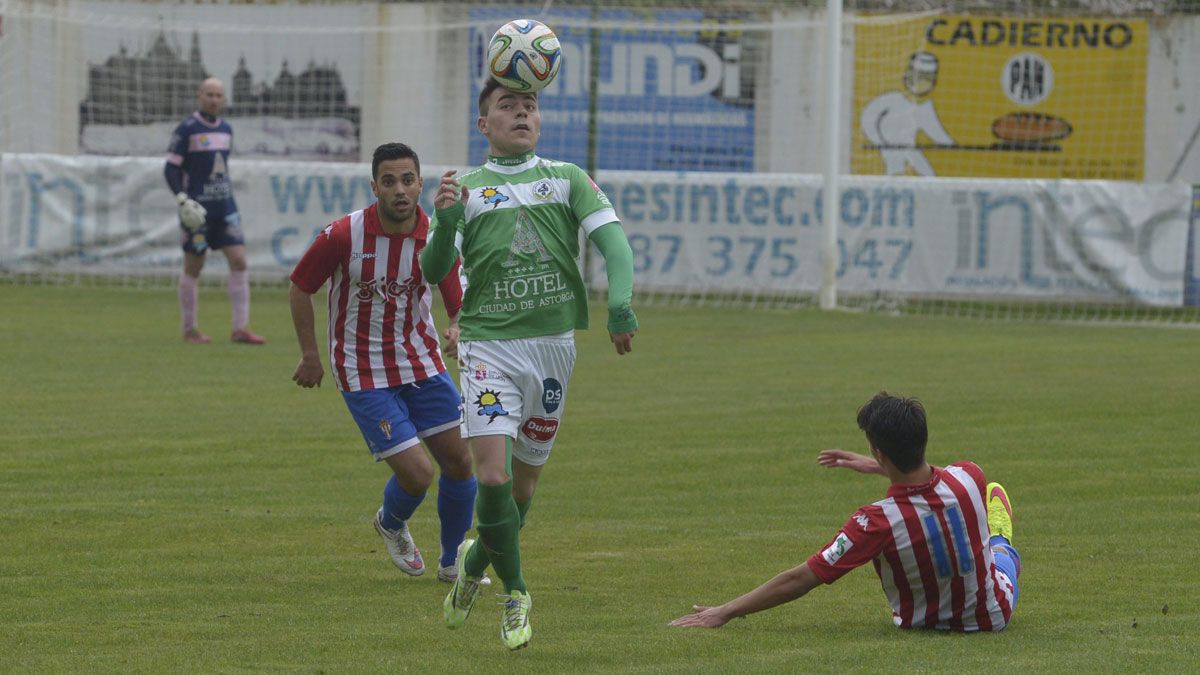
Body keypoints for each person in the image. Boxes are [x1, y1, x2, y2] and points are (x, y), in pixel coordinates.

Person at [420, 77, 639, 650]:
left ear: (540, 120)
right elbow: (433, 268)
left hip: (551, 350)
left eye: (530, 105)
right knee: (491, 475)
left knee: (521, 490)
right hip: (487, 346)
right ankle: (516, 591)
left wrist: (620, 304)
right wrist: (445, 220)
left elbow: (614, 243)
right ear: (483, 124)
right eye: (507, 106)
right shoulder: (465, 189)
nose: (521, 113)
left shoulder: (566, 178)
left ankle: (473, 566)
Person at [289, 142, 487, 585]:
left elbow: (456, 300)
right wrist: (310, 355)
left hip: (422, 363)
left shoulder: (435, 236)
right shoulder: (344, 234)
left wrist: (458, 327)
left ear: (420, 184)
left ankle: (452, 561)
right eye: (389, 181)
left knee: (460, 462)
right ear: (374, 187)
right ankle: (391, 522)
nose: (400, 189)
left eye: (407, 180)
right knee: (418, 474)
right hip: (362, 371)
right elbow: (300, 287)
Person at [672, 392, 1021, 632]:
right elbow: (931, 477)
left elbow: (800, 579)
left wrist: (726, 611)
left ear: (879, 452)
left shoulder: (874, 522)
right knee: (993, 561)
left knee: (1002, 555)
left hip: (921, 624)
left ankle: (1000, 537)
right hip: (992, 617)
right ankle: (997, 542)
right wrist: (879, 465)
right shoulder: (969, 476)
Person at [165, 77, 265, 345]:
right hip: (197, 213)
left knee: (239, 261)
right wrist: (182, 199)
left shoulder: (226, 129)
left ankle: (240, 328)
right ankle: (190, 330)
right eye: (209, 94)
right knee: (194, 267)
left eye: (218, 95)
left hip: (225, 208)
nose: (214, 99)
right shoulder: (187, 129)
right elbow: (171, 168)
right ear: (199, 96)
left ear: (224, 99)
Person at [860, 51, 956, 176]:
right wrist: (879, 141)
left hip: (907, 145)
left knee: (926, 173)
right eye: (917, 77)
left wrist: (951, 145)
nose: (920, 82)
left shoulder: (925, 108)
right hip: (891, 146)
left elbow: (936, 132)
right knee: (897, 169)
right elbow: (868, 117)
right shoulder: (893, 99)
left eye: (926, 78)